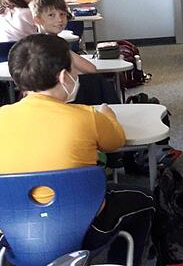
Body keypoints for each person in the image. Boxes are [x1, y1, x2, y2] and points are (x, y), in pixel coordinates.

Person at [0, 34, 154, 265]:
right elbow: (116, 142)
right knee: (145, 199)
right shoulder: (87, 117)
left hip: (14, 232)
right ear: (64, 77)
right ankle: (121, 260)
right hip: (88, 228)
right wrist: (109, 117)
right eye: (74, 70)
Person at [30, 0, 96, 74]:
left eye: (62, 14)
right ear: (37, 20)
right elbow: (91, 69)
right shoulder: (51, 45)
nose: (59, 19)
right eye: (51, 15)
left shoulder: (36, 41)